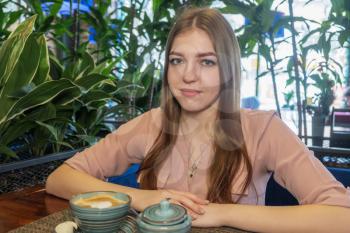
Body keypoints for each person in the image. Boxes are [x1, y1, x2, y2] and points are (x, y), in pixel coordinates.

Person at [46, 7, 350, 232]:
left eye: (206, 61)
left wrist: (222, 213)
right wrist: (145, 198)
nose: (188, 76)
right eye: (177, 60)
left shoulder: (263, 129)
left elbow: (341, 216)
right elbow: (60, 179)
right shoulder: (151, 123)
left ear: (228, 68)